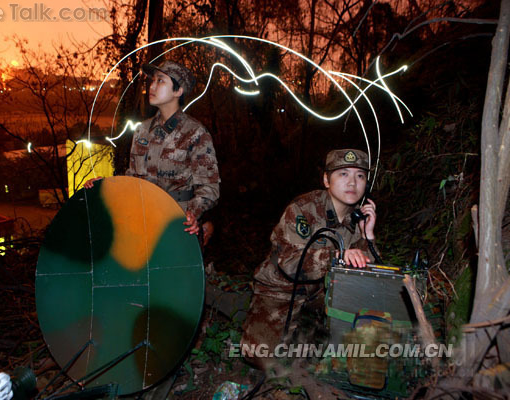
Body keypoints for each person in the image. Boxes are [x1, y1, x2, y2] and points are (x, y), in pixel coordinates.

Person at [240, 148, 378, 370]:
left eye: (360, 175)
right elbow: (290, 263)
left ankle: (310, 328)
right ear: (326, 179)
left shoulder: (357, 218)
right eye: (343, 174)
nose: (352, 182)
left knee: (322, 355)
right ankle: (249, 308)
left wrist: (367, 236)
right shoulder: (304, 209)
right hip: (282, 289)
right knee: (261, 357)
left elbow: (368, 276)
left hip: (320, 292)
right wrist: (339, 256)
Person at [85, 60, 220, 235]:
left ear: (178, 91)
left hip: (178, 225)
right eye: (153, 80)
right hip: (144, 223)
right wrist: (105, 185)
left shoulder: (195, 133)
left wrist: (192, 213)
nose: (152, 86)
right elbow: (133, 179)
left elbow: (210, 188)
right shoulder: (142, 130)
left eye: (161, 81)